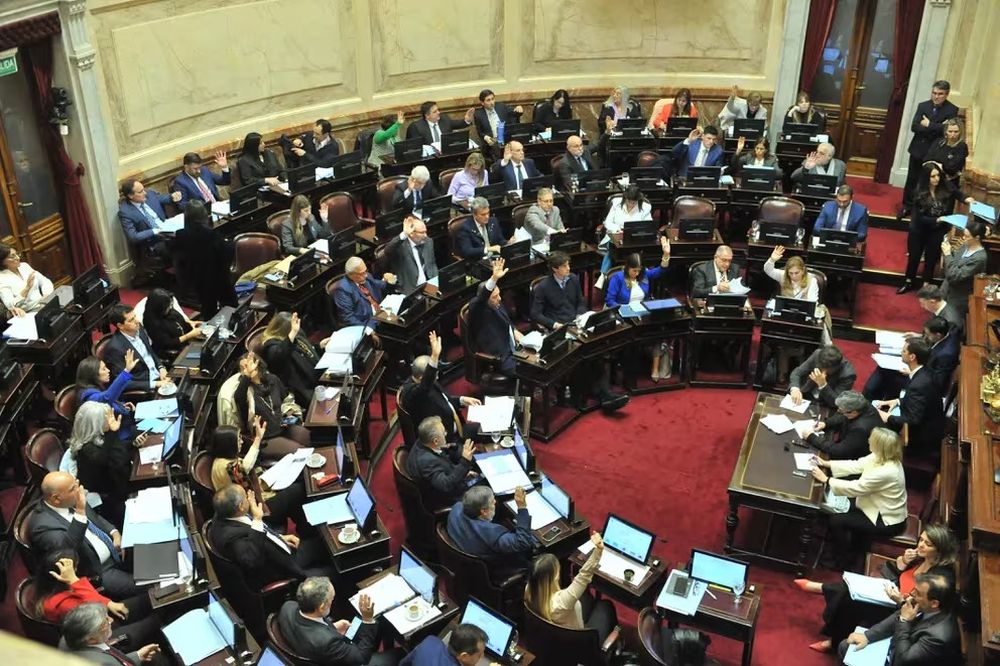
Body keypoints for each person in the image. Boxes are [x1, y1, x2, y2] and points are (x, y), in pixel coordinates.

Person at [796, 525, 958, 652]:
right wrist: (903, 561)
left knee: (850, 601)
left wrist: (900, 600)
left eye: (927, 544)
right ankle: (834, 635)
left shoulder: (940, 576)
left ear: (940, 550)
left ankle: (824, 596)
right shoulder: (920, 557)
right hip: (889, 590)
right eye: (921, 540)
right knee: (850, 594)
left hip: (896, 608)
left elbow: (920, 609)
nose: (921, 545)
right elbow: (892, 571)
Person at [811, 427, 907, 568]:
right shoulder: (880, 456)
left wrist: (827, 480)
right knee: (836, 506)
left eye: (871, 439)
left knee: (837, 520)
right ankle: (836, 543)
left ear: (879, 445)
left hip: (886, 519)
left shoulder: (888, 471)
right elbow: (857, 465)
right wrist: (827, 464)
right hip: (873, 505)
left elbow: (858, 488)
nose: (868, 440)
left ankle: (842, 559)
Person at [31, 472, 138, 599]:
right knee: (152, 586)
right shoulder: (43, 526)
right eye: (73, 488)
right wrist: (80, 512)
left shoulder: (70, 499)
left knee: (159, 558)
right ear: (56, 499)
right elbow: (68, 552)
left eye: (77, 483)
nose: (80, 490)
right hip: (99, 572)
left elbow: (96, 518)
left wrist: (114, 533)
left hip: (118, 551)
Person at [207, 485, 335, 589]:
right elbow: (252, 559)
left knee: (327, 544)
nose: (249, 497)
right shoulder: (230, 538)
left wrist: (279, 537)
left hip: (279, 549)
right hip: (282, 568)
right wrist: (257, 518)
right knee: (335, 571)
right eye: (246, 497)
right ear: (240, 507)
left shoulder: (223, 512)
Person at [36, 550, 159, 648]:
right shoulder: (61, 604)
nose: (76, 572)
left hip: (103, 616)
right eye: (74, 570)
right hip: (100, 636)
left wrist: (109, 603)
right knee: (155, 620)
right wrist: (74, 580)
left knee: (155, 600)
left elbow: (94, 601)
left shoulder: (61, 586)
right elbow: (96, 608)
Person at [210, 422, 312, 534]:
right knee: (298, 490)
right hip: (252, 510)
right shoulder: (226, 466)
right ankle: (307, 531)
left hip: (255, 498)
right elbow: (245, 467)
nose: (242, 442)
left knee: (295, 487)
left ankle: (306, 530)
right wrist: (258, 439)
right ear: (229, 444)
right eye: (238, 439)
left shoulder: (222, 460)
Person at [838, 573, 961, 664]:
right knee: (847, 645)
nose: (911, 594)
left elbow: (902, 661)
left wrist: (904, 621)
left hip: (901, 659)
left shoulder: (939, 637)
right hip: (897, 645)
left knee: (847, 649)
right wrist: (868, 636)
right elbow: (901, 612)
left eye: (917, 593)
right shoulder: (927, 606)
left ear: (934, 603)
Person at [278, 577, 396, 666]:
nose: (333, 601)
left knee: (369, 622)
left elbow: (307, 629)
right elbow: (361, 658)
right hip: (346, 660)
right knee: (399, 654)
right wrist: (368, 620)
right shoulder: (327, 642)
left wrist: (331, 628)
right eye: (332, 599)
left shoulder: (287, 607)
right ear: (322, 607)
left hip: (315, 645)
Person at [524, 532, 618, 643]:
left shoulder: (529, 590)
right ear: (555, 578)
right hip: (579, 642)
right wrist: (598, 550)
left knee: (586, 597)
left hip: (555, 637)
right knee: (605, 606)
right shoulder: (562, 602)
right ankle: (616, 645)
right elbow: (584, 576)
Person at [898, 163, 975, 294]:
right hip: (919, 229)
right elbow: (919, 218)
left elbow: (957, 194)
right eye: (932, 176)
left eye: (938, 175)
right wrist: (937, 219)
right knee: (914, 256)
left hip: (937, 230)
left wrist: (967, 199)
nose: (936, 179)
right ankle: (908, 281)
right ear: (926, 177)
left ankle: (926, 283)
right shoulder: (918, 192)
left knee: (931, 257)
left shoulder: (945, 185)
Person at [604, 240, 672, 380]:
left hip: (642, 313)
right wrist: (624, 309)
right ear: (627, 267)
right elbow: (610, 301)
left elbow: (660, 271)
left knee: (658, 329)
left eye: (639, 270)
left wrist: (666, 255)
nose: (636, 273)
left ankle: (655, 368)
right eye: (634, 270)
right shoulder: (617, 278)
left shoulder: (644, 274)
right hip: (623, 314)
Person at [399, 332, 480, 442]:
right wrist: (434, 357)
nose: (437, 377)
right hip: (446, 441)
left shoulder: (427, 382)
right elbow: (424, 388)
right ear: (423, 377)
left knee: (493, 431)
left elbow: (444, 400)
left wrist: (462, 400)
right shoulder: (411, 393)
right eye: (434, 374)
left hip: (458, 429)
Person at [446, 485, 537, 582]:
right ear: (484, 511)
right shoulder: (492, 535)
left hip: (463, 551)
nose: (495, 502)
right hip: (495, 569)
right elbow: (523, 542)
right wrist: (522, 508)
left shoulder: (456, 508)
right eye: (492, 502)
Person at [68, 402, 138, 527]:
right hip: (109, 499)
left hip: (118, 484)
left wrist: (132, 444)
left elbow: (114, 450)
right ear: (96, 424)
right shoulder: (86, 450)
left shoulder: (100, 437)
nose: (111, 420)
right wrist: (113, 432)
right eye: (107, 418)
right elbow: (106, 460)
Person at [875, 337, 946, 456]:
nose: (901, 353)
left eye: (903, 351)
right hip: (929, 420)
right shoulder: (926, 372)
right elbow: (920, 400)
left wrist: (887, 417)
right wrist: (897, 401)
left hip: (921, 435)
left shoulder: (918, 385)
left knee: (873, 423)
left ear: (912, 357)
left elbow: (913, 420)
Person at [233, 352, 310, 459]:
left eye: (251, 364)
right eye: (244, 367)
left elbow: (286, 400)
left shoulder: (272, 379)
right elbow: (238, 398)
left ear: (258, 363)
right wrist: (247, 375)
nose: (249, 368)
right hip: (264, 438)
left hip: (284, 427)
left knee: (308, 437)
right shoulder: (245, 391)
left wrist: (289, 414)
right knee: (300, 452)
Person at [901, 80, 959, 217]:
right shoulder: (923, 106)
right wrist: (937, 126)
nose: (936, 96)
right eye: (934, 93)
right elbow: (915, 127)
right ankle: (907, 206)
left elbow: (947, 130)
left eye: (940, 94)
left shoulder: (952, 109)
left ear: (946, 94)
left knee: (929, 181)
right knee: (912, 179)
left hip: (935, 151)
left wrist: (928, 124)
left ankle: (922, 207)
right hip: (918, 148)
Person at [864, 316, 958, 400]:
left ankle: (869, 398)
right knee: (883, 369)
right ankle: (872, 398)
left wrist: (912, 373)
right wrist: (919, 336)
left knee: (886, 374)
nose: (925, 336)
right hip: (923, 368)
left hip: (926, 385)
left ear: (938, 335)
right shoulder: (947, 330)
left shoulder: (946, 355)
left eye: (928, 334)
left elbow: (937, 381)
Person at [173, 200, 236, 316]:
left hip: (197, 278)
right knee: (230, 305)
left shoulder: (181, 234)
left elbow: (178, 254)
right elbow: (227, 251)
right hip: (218, 276)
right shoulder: (211, 235)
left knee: (208, 308)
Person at [467, 259, 524, 377]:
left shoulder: (496, 303)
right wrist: (494, 278)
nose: (499, 299)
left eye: (499, 294)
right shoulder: (477, 308)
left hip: (516, 350)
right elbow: (483, 296)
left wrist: (515, 331)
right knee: (531, 371)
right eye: (494, 297)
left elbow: (507, 321)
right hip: (501, 357)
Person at [405, 416, 477, 509]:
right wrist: (465, 462)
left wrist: (462, 471)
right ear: (435, 441)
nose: (446, 433)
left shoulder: (423, 441)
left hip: (446, 483)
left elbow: (444, 464)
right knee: (487, 490)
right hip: (447, 497)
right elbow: (446, 485)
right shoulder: (427, 461)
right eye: (444, 433)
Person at [61, 603, 162, 665]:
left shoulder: (67, 639)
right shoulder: (101, 662)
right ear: (91, 639)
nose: (111, 620)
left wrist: (137, 656)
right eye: (105, 622)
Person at [104, 304, 171, 393]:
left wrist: (161, 367)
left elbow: (150, 352)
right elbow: (122, 383)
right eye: (131, 320)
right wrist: (156, 384)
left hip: (160, 375)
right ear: (120, 325)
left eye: (135, 317)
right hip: (146, 387)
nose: (137, 321)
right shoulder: (115, 348)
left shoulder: (138, 328)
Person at [797, 391, 883, 461]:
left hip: (856, 459)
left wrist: (812, 437)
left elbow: (838, 451)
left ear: (853, 412)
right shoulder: (863, 404)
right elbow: (843, 417)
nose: (838, 411)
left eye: (841, 410)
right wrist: (826, 423)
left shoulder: (860, 429)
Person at [259, 311, 321, 406]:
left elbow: (304, 350)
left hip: (314, 377)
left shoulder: (293, 336)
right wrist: (292, 333)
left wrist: (319, 346)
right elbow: (280, 354)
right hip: (300, 388)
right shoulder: (270, 347)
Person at [77, 352, 139, 441]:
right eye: (103, 369)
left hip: (126, 424)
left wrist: (122, 406)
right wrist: (126, 371)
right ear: (93, 374)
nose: (108, 371)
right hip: (119, 435)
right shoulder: (88, 396)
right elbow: (107, 398)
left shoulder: (97, 386)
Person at [333, 256, 397, 334]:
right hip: (368, 323)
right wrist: (367, 330)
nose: (366, 275)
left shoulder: (366, 277)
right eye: (362, 273)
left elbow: (379, 285)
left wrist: (391, 280)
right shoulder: (342, 289)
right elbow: (348, 317)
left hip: (382, 314)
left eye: (365, 271)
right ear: (351, 274)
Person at [598, 184, 653, 274]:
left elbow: (648, 225)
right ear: (625, 198)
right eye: (629, 201)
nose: (631, 204)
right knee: (613, 247)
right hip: (615, 236)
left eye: (634, 202)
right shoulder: (616, 204)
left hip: (634, 239)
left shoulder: (645, 207)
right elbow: (608, 222)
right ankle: (603, 275)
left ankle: (637, 274)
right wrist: (617, 229)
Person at [117, 179, 181, 255]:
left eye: (143, 189)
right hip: (155, 241)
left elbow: (163, 199)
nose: (145, 193)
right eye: (140, 192)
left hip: (169, 230)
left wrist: (172, 197)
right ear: (130, 195)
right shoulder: (126, 212)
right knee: (181, 247)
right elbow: (133, 237)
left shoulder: (150, 195)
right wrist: (155, 231)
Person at [940, 219, 987, 319]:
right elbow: (954, 264)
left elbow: (954, 276)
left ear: (977, 238)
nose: (963, 238)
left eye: (967, 236)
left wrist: (948, 254)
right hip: (946, 289)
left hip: (958, 297)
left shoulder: (979, 258)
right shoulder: (966, 245)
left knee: (950, 325)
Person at [141, 288, 202, 362]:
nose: (170, 307)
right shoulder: (152, 323)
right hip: (172, 352)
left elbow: (179, 320)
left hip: (186, 342)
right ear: (159, 308)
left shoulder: (168, 310)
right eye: (168, 306)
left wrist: (190, 323)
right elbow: (168, 343)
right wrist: (189, 335)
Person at [788, 344, 856, 409]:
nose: (823, 372)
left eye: (828, 370)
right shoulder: (818, 354)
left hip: (825, 404)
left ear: (837, 366)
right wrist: (795, 389)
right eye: (821, 368)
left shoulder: (848, 375)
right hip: (807, 394)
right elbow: (797, 373)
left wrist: (823, 385)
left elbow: (836, 402)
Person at [531, 251, 586, 331]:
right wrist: (554, 325)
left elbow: (581, 301)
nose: (568, 268)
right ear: (555, 269)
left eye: (568, 265)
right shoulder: (543, 287)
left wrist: (579, 315)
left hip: (575, 322)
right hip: (558, 326)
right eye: (564, 266)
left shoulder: (573, 279)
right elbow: (536, 314)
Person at [385, 216, 437, 293]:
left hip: (429, 285)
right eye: (422, 232)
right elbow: (387, 250)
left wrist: (436, 281)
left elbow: (431, 264)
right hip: (411, 289)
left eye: (425, 231)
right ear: (412, 233)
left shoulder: (428, 241)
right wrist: (404, 234)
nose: (425, 235)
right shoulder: (400, 247)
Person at [401, 624, 493, 666]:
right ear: (464, 656)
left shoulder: (431, 641)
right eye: (479, 655)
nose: (482, 656)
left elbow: (403, 663)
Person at [0, 244, 53, 315]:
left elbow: (45, 281)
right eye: (12, 256)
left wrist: (46, 295)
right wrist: (27, 288)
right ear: (2, 261)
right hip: (28, 313)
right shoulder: (2, 278)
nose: (18, 258)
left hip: (44, 303)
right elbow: (10, 305)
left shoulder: (24, 266)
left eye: (17, 254)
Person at [473, 89, 523, 156]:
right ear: (482, 103)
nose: (492, 102)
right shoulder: (478, 114)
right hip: (493, 142)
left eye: (492, 99)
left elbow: (515, 113)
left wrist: (519, 109)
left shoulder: (501, 106)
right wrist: (486, 137)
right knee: (496, 149)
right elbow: (480, 132)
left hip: (507, 139)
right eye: (488, 100)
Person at [923, 118, 968, 192]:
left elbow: (952, 168)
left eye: (956, 132)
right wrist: (941, 165)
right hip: (931, 181)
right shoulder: (938, 142)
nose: (953, 134)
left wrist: (935, 163)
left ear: (960, 132)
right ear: (946, 131)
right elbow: (926, 160)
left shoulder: (962, 147)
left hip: (948, 184)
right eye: (950, 131)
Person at [407, 101, 474, 145]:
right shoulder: (417, 127)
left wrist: (467, 120)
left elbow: (457, 124)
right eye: (435, 112)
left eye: (438, 110)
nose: (438, 113)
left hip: (446, 154)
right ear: (427, 116)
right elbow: (415, 146)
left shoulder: (444, 119)